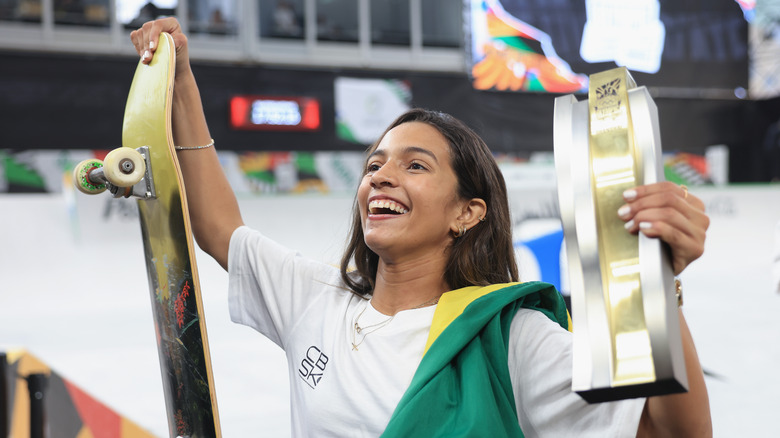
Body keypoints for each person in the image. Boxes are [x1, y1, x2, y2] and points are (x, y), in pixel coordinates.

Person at [130, 18, 712, 437]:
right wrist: (181, 84)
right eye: (374, 164)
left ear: (468, 212)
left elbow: (671, 433)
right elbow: (215, 226)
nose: (381, 177)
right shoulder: (314, 300)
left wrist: (655, 282)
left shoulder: (509, 339)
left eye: (415, 165)